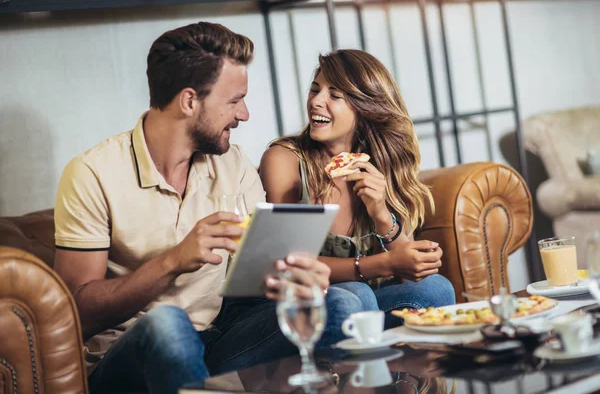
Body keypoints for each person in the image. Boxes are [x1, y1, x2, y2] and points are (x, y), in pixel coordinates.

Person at [53, 22, 363, 394]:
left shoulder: (232, 164)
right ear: (189, 101)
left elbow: (263, 275)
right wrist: (173, 261)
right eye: (234, 101)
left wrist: (295, 277)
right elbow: (75, 313)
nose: (244, 114)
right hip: (126, 358)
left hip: (215, 342)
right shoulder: (92, 173)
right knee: (167, 325)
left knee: (340, 303)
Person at [259, 49, 456, 329]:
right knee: (355, 294)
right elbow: (288, 264)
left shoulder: (380, 163)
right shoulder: (285, 160)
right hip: (313, 303)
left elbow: (409, 275)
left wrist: (381, 212)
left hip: (370, 301)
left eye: (334, 95)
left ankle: (409, 373)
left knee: (435, 288)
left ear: (365, 106)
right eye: (315, 90)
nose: (316, 101)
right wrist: (384, 264)